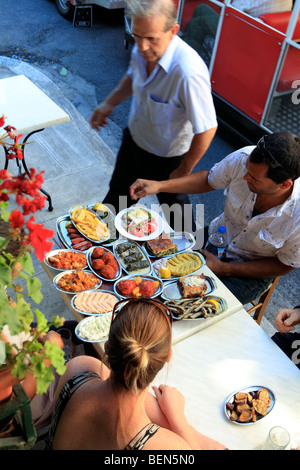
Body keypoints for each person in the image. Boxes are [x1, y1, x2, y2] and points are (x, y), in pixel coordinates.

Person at [130, 132, 300, 305]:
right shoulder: (243, 158)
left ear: (284, 184)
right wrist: (159, 186)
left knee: (191, 306)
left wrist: (225, 269)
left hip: (250, 272)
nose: (244, 177)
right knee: (154, 271)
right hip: (216, 238)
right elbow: (208, 180)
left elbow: (285, 264)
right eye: (247, 169)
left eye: (254, 178)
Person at [90, 0, 217, 230]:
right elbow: (133, 77)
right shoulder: (143, 48)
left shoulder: (188, 72)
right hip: (134, 144)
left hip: (167, 161)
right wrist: (108, 103)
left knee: (181, 225)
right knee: (113, 205)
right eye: (137, 36)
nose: (142, 47)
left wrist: (183, 171)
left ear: (173, 31)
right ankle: (100, 250)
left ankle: (194, 257)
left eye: (151, 39)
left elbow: (208, 128)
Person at [46, 298, 227, 450]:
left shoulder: (79, 369)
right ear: (167, 357)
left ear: (107, 347)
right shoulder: (161, 445)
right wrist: (178, 418)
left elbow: (123, 386)